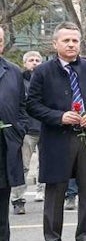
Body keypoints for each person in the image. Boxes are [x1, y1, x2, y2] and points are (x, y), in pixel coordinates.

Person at [26, 23, 86, 241]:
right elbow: (32, 104)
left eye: (75, 41)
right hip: (57, 139)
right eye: (66, 41)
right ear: (55, 44)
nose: (71, 45)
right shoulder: (42, 72)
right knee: (56, 192)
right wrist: (59, 116)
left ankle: (85, 239)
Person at [0, 29, 26, 241]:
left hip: (6, 144)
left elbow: (22, 106)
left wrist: (19, 131)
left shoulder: (13, 71)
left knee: (2, 199)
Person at [11, 50, 43, 214]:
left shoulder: (46, 80)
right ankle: (18, 199)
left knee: (45, 164)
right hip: (27, 131)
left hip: (45, 129)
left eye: (38, 60)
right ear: (25, 63)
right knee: (22, 166)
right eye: (31, 60)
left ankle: (41, 192)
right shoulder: (18, 81)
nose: (35, 62)